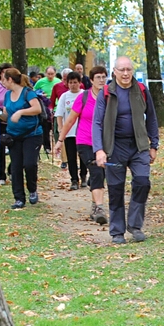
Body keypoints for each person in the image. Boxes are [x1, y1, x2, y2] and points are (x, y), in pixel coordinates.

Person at [92, 56, 159, 244]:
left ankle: (135, 226)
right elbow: (97, 123)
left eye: (128, 69)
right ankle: (117, 231)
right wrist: (99, 150)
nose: (125, 73)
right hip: (115, 147)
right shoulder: (106, 92)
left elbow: (152, 118)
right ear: (114, 72)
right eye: (121, 70)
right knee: (115, 189)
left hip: (139, 146)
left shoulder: (142, 90)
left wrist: (154, 144)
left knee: (142, 183)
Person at [54, 66, 109, 224]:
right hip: (85, 141)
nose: (101, 80)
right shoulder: (83, 97)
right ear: (91, 80)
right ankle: (99, 208)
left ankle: (94, 202)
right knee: (96, 171)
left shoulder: (110, 97)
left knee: (100, 174)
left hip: (105, 143)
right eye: (98, 77)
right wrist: (60, 141)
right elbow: (70, 120)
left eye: (103, 77)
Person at [1, 67, 44, 208]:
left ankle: (32, 189)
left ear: (10, 79)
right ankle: (19, 198)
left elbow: (37, 109)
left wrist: (21, 112)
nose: (2, 82)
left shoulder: (28, 93)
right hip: (14, 135)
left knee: (29, 164)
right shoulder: (7, 95)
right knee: (16, 167)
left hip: (32, 134)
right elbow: (7, 114)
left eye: (4, 79)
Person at [54, 71, 84, 189]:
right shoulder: (64, 96)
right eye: (70, 82)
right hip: (70, 132)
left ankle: (84, 175)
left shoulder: (84, 94)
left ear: (79, 83)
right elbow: (59, 114)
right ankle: (74, 179)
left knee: (83, 156)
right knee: (71, 157)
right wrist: (61, 128)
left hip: (83, 132)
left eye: (75, 82)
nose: (73, 85)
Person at [34, 67, 60, 154]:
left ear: (55, 74)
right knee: (46, 128)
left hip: (56, 107)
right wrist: (40, 94)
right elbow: (34, 91)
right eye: (48, 74)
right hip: (45, 108)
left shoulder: (58, 81)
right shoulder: (40, 82)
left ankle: (58, 147)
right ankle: (47, 147)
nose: (50, 76)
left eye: (52, 74)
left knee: (56, 129)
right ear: (45, 73)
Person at [51, 69, 72, 168]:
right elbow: (52, 100)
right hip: (61, 114)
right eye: (64, 79)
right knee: (61, 135)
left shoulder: (79, 86)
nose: (66, 82)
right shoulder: (57, 86)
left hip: (74, 115)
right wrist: (51, 109)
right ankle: (64, 160)